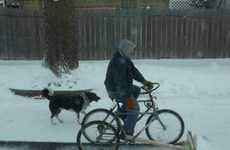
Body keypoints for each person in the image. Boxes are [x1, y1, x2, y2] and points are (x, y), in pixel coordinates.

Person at [104, 39, 153, 139]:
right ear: (125, 49)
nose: (132, 52)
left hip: (121, 88)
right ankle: (127, 133)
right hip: (116, 90)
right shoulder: (119, 62)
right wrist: (127, 95)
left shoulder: (124, 58)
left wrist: (144, 81)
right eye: (130, 50)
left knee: (136, 90)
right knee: (135, 109)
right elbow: (120, 81)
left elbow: (134, 71)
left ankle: (123, 112)